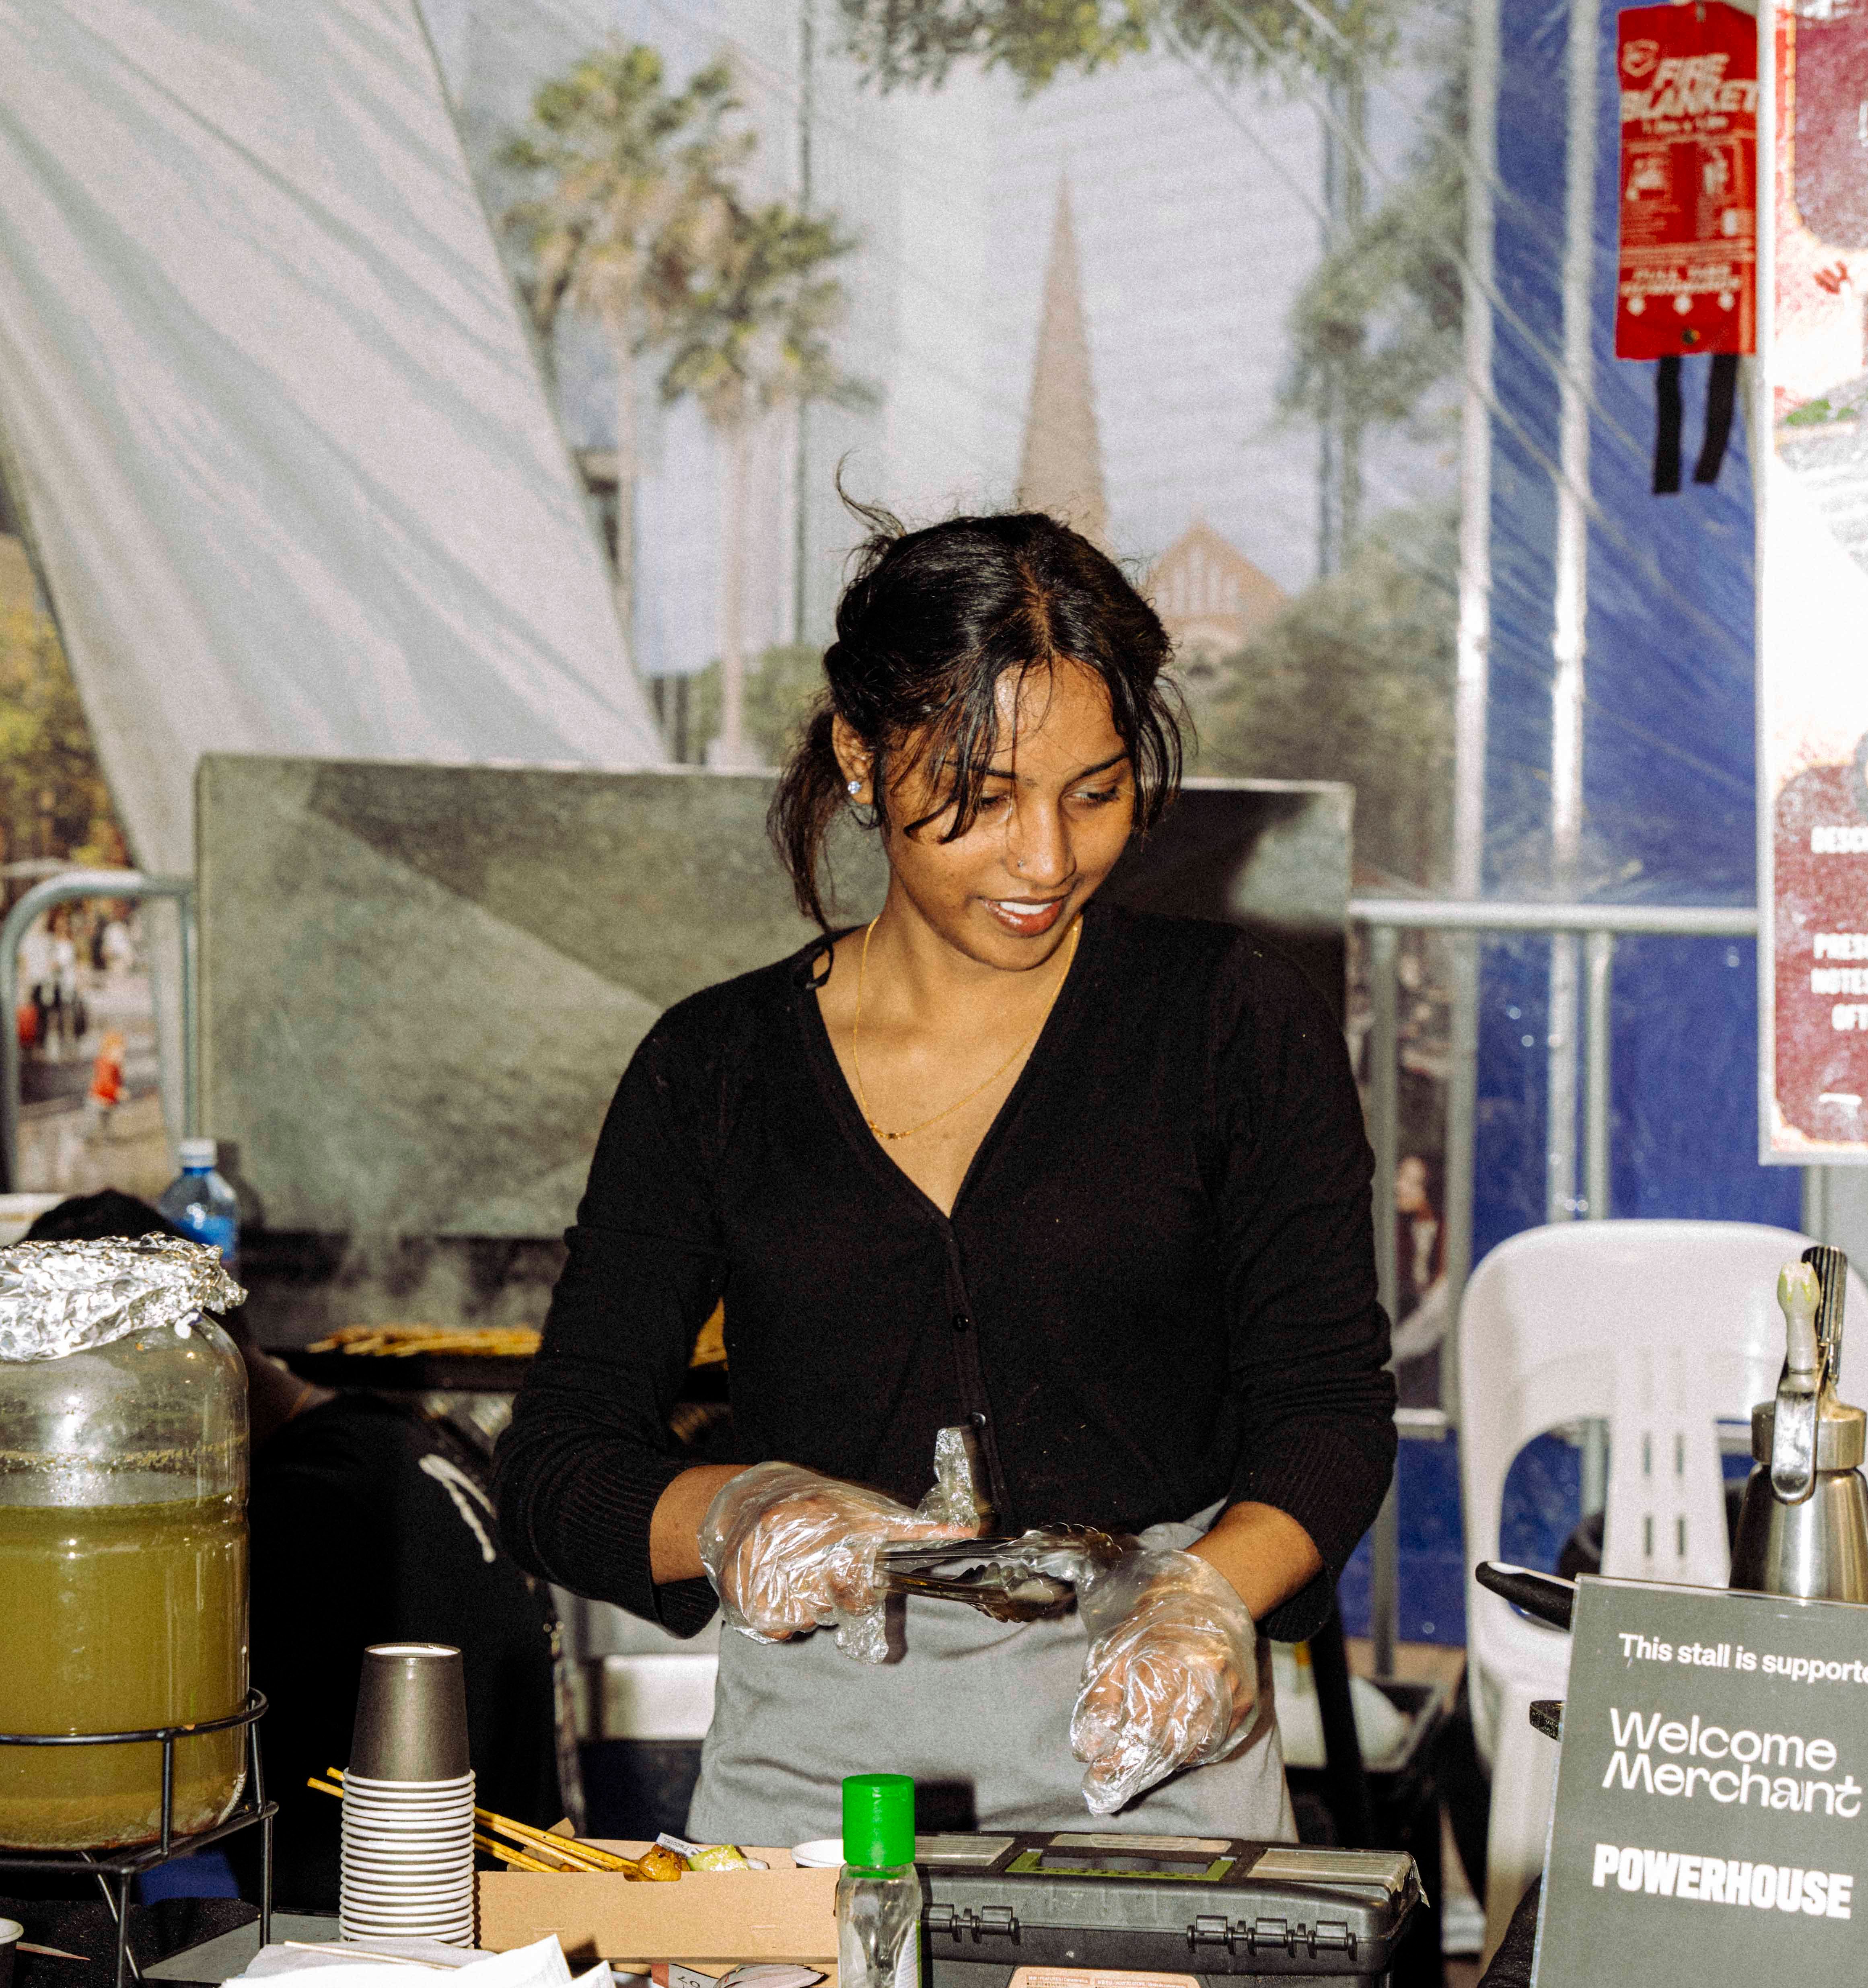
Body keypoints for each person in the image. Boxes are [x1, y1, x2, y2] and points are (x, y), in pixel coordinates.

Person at [495, 508, 1396, 1846]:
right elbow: (556, 1469)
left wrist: (1205, 1598)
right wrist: (739, 1515)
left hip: (1152, 1744)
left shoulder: (1228, 1026)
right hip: (815, 1777)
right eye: (977, 802)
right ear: (858, 757)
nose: (1046, 861)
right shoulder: (716, 1067)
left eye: (1092, 793)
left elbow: (1327, 1411)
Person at [25, 1193, 564, 1908]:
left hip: (388, 1928)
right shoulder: (383, 1438)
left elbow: (126, 1768)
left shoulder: (300, 1511)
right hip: (513, 1903)